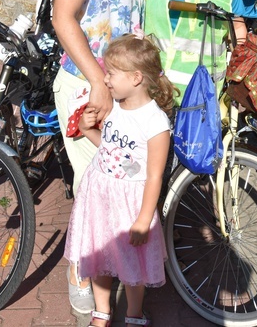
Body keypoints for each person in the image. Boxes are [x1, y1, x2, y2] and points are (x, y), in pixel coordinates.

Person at [52, 0, 170, 314]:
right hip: (89, 83)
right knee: (95, 187)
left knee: (119, 181)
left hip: (120, 87)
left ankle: (115, 271)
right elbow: (64, 17)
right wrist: (97, 81)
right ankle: (81, 268)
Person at [64, 34, 177, 327]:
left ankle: (134, 314)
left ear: (136, 77)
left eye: (111, 73)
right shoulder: (115, 107)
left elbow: (154, 175)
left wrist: (142, 220)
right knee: (99, 255)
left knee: (131, 265)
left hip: (130, 202)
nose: (106, 80)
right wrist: (88, 131)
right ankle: (101, 312)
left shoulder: (154, 122)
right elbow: (112, 150)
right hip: (101, 193)